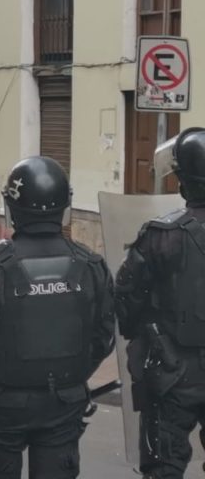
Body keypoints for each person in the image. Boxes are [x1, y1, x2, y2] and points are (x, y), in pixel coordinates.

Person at [0, 156, 115, 479]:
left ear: (13, 206)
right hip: (64, 403)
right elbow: (104, 335)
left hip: (3, 405)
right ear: (65, 204)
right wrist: (72, 370)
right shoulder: (91, 266)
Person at [114, 128, 205, 479]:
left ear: (181, 179)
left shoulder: (159, 236)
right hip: (172, 367)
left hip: (171, 373)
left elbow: (126, 303)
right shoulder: (160, 235)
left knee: (163, 468)